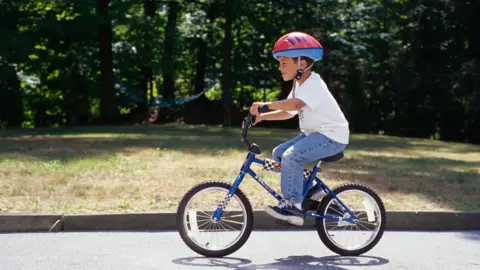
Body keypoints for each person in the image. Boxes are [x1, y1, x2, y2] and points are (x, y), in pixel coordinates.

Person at [249, 32, 350, 226]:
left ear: (302, 64)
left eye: (284, 63)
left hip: (332, 136)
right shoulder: (299, 84)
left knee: (291, 156)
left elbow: (294, 105)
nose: (280, 68)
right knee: (279, 153)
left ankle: (293, 206)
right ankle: (312, 190)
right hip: (315, 134)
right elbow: (289, 112)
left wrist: (266, 105)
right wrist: (263, 117)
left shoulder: (313, 83)